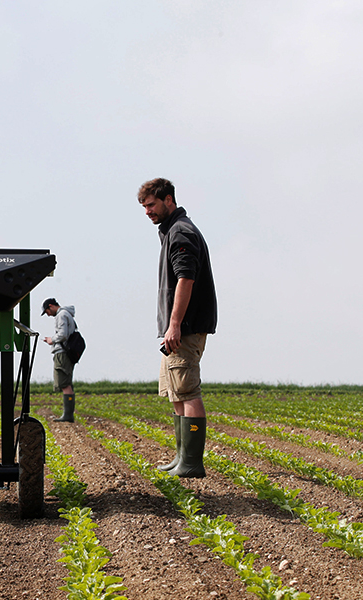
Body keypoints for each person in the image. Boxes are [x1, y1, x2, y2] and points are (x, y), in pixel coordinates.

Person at [138, 178, 217, 478]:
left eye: (151, 205)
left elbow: (186, 278)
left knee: (187, 390)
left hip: (185, 327)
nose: (148, 211)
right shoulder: (172, 231)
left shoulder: (181, 231)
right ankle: (182, 457)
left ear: (168, 200)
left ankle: (192, 462)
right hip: (177, 329)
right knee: (175, 391)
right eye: (144, 207)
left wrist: (174, 325)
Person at [40, 297, 77, 423]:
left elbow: (62, 335)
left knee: (64, 383)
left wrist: (51, 340)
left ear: (51, 306)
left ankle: (68, 415)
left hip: (62, 353)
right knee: (66, 382)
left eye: (47, 311)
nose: (48, 315)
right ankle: (68, 414)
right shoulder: (67, 314)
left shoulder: (61, 315)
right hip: (66, 352)